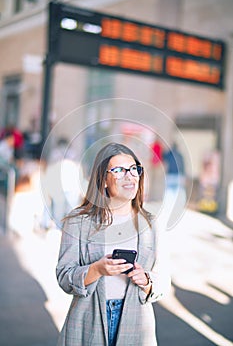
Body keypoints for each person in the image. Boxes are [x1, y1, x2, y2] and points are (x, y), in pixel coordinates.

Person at [56, 142, 171, 346]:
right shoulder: (77, 222)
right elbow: (65, 277)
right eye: (118, 170)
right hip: (87, 321)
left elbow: (163, 281)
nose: (129, 176)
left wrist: (146, 280)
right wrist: (96, 270)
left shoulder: (151, 224)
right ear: (104, 180)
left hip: (136, 323)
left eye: (134, 169)